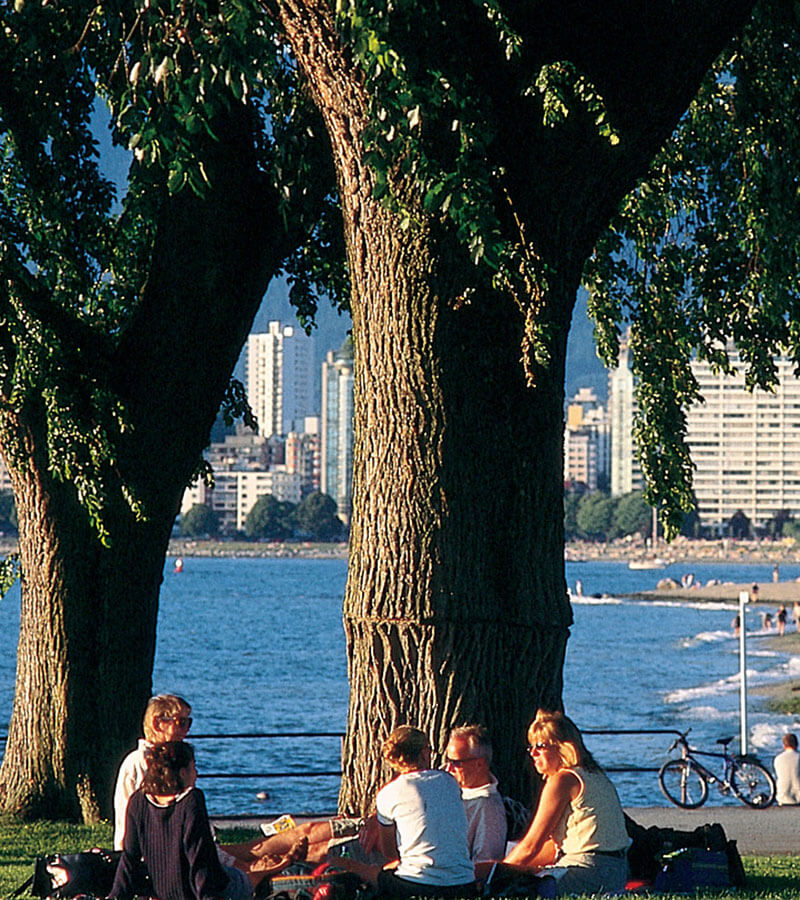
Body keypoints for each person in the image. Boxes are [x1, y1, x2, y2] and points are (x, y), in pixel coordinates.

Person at [484, 710, 630, 897]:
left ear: (564, 748)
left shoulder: (563, 780)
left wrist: (495, 875)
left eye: (540, 746)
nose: (533, 753)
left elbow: (531, 846)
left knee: (514, 891)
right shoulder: (594, 775)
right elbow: (552, 847)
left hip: (587, 870)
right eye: (531, 747)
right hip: (615, 870)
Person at [333, 725, 476, 897]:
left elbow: (389, 852)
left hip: (415, 885)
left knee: (344, 864)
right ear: (424, 753)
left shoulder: (387, 794)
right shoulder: (450, 782)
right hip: (465, 883)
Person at [109, 741, 259, 900]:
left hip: (160, 890)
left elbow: (130, 857)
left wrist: (116, 896)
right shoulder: (191, 800)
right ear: (182, 773)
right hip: (198, 890)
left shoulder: (137, 801)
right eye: (193, 767)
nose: (196, 773)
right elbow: (200, 857)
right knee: (244, 880)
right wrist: (208, 896)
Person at [113, 693, 193, 850]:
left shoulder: (173, 760)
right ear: (158, 724)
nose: (186, 731)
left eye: (188, 723)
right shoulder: (139, 763)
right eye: (181, 723)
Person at [444, 725, 508, 862]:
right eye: (448, 761)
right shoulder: (450, 789)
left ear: (479, 764)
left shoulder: (488, 807)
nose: (448, 768)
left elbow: (485, 861)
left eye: (456, 763)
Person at [773, 733, 800, 805]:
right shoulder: (798, 757)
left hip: (782, 798)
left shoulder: (778, 759)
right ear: (797, 744)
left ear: (784, 746)